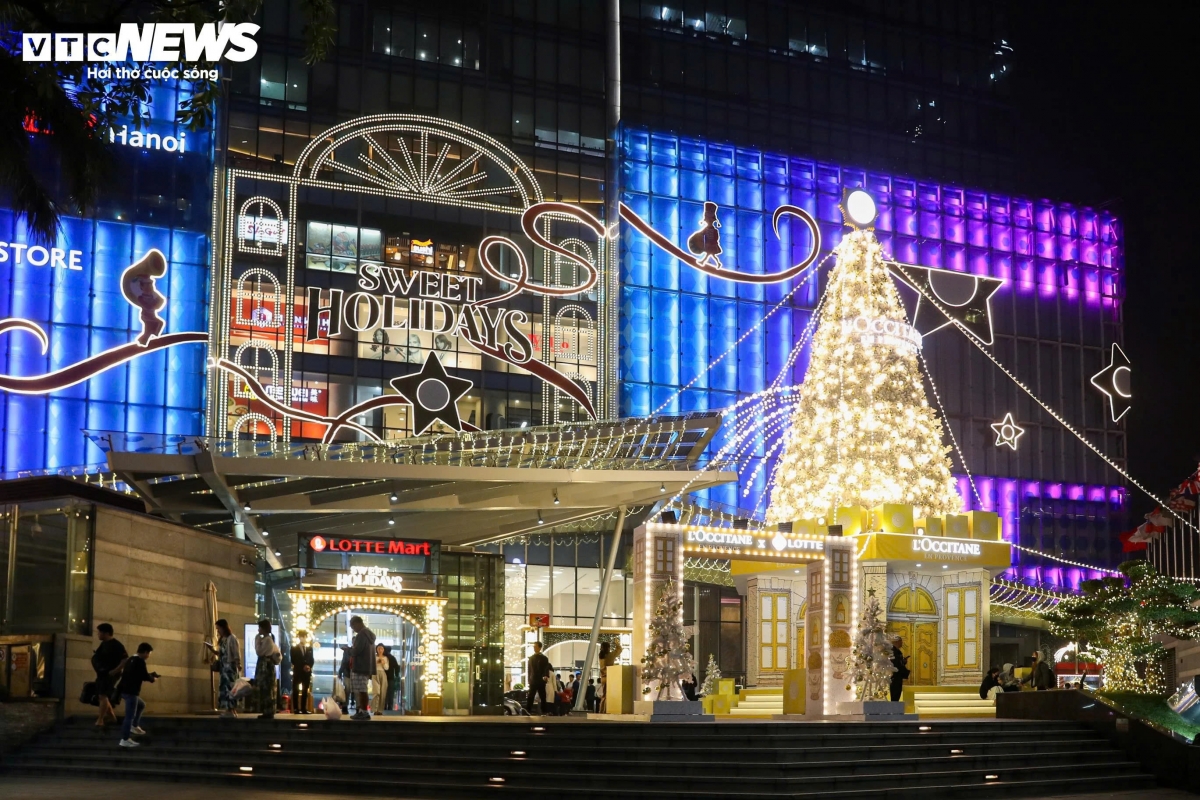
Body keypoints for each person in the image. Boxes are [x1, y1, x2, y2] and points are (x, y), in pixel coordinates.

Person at [117, 642, 158, 748]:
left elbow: (132, 674)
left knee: (141, 705)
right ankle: (125, 739)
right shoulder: (140, 661)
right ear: (145, 652)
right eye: (149, 653)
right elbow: (144, 675)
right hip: (131, 692)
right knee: (129, 716)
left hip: (124, 690)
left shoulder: (131, 659)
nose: (148, 656)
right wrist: (153, 678)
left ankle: (134, 726)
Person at [92, 623, 127, 728]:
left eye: (99, 632)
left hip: (110, 674)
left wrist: (115, 670)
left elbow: (125, 659)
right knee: (101, 695)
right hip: (102, 673)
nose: (97, 634)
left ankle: (100, 719)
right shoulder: (103, 644)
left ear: (106, 633)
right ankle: (112, 717)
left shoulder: (116, 645)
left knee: (103, 695)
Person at [342, 615, 376, 720]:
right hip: (366, 666)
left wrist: (347, 650)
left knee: (361, 690)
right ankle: (362, 711)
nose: (353, 629)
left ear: (357, 623)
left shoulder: (361, 635)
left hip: (360, 666)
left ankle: (364, 712)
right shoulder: (369, 634)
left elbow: (356, 651)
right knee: (362, 689)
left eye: (353, 626)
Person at [213, 619, 241, 718]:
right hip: (224, 668)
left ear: (223, 627)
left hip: (229, 668)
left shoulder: (231, 638)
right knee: (226, 688)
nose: (218, 631)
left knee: (230, 688)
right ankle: (230, 709)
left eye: (218, 628)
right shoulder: (223, 640)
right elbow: (222, 653)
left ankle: (230, 709)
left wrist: (238, 663)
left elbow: (235, 652)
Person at [254, 619, 281, 719]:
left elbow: (259, 652)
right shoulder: (269, 639)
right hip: (268, 665)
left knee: (266, 687)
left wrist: (257, 640)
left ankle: (267, 711)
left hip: (265, 665)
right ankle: (268, 710)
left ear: (263, 628)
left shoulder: (267, 640)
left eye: (259, 628)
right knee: (268, 687)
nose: (258, 630)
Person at [290, 630, 315, 714]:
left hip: (307, 673)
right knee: (296, 690)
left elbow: (312, 660)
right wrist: (303, 666)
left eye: (304, 637)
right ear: (298, 637)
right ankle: (296, 708)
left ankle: (304, 708)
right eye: (301, 636)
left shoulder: (309, 648)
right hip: (298, 672)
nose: (303, 638)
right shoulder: (294, 648)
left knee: (305, 690)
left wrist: (309, 666)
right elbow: (293, 660)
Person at [525, 641, 551, 715]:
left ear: (540, 648)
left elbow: (546, 668)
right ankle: (528, 710)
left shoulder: (544, 658)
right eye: (534, 647)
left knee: (543, 696)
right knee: (531, 696)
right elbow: (529, 670)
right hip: (533, 680)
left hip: (540, 680)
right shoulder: (531, 658)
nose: (534, 648)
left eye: (535, 647)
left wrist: (546, 676)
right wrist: (529, 680)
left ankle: (544, 711)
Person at [889, 636, 910, 702]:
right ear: (897, 641)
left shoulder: (897, 651)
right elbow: (895, 664)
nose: (902, 643)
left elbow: (897, 663)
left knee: (896, 696)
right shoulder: (893, 651)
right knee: (895, 697)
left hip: (897, 677)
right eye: (901, 641)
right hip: (895, 677)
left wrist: (903, 661)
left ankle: (894, 710)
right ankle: (894, 711)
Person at [372, 644, 390, 714]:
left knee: (383, 693)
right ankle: (375, 709)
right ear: (376, 649)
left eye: (381, 649)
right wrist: (376, 663)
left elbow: (387, 668)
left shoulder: (386, 658)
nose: (380, 650)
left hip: (383, 674)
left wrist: (383, 663)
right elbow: (371, 666)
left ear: (383, 650)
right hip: (375, 674)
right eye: (379, 648)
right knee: (376, 692)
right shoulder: (374, 657)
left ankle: (380, 710)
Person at [384, 645, 400, 712]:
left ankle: (384, 706)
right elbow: (397, 667)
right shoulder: (392, 658)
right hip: (391, 678)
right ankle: (390, 707)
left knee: (384, 693)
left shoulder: (383, 658)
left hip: (384, 677)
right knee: (390, 693)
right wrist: (396, 674)